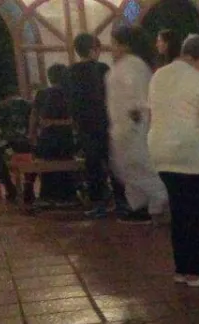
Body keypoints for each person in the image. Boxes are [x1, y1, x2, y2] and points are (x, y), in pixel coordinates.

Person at [149, 34, 199, 287]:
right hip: (192, 155)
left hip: (161, 151)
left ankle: (182, 269)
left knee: (180, 213)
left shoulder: (159, 75)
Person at [107, 25, 167, 224]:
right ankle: (140, 207)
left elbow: (139, 99)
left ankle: (159, 203)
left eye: (114, 43)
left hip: (132, 127)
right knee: (129, 169)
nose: (112, 48)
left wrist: (133, 123)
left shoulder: (134, 66)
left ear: (125, 45)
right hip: (123, 125)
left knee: (139, 166)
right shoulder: (126, 65)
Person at [68, 33, 127, 218]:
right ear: (93, 49)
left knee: (93, 165)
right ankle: (121, 202)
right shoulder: (103, 69)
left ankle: (98, 204)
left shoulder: (71, 72)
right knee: (114, 163)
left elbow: (71, 101)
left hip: (85, 125)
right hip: (107, 122)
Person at [29, 64, 80, 204]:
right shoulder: (71, 94)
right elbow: (75, 119)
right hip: (65, 137)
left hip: (47, 138)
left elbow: (34, 116)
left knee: (48, 168)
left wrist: (32, 134)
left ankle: (48, 197)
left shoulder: (42, 93)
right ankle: (68, 197)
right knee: (66, 167)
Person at [0, 96, 33, 205]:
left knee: (35, 151)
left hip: (25, 141)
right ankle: (9, 185)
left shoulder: (30, 108)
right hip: (9, 141)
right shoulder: (0, 110)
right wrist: (10, 153)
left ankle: (27, 184)